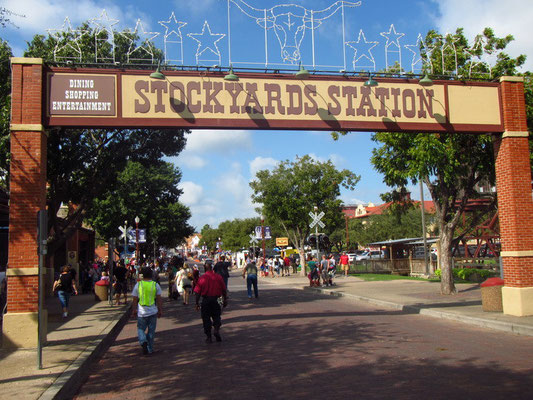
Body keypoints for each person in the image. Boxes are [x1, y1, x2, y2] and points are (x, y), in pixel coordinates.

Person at [131, 267, 163, 355]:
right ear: (151, 275)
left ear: (142, 275)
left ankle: (143, 341)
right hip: (152, 311)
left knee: (141, 329)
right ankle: (150, 348)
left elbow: (134, 298)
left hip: (141, 312)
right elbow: (159, 299)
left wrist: (134, 310)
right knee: (151, 331)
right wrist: (160, 310)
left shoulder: (138, 285)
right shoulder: (155, 285)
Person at [194, 260, 228, 343]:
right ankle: (216, 330)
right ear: (212, 267)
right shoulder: (218, 277)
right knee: (216, 316)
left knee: (206, 319)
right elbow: (224, 289)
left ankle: (209, 337)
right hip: (216, 300)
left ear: (204, 268)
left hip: (206, 300)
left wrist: (197, 303)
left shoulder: (202, 278)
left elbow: (197, 292)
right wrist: (225, 299)